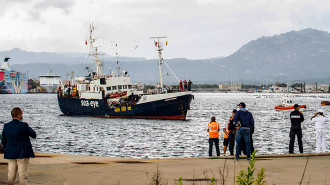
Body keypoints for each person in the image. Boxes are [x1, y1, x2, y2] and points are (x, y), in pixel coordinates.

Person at [1, 107, 37, 185]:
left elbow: (3, 139)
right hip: (22, 153)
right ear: (19, 115)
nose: (22, 115)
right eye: (22, 114)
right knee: (23, 177)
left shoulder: (6, 126)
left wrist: (7, 147)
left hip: (11, 153)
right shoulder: (24, 125)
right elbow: (33, 135)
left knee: (11, 176)